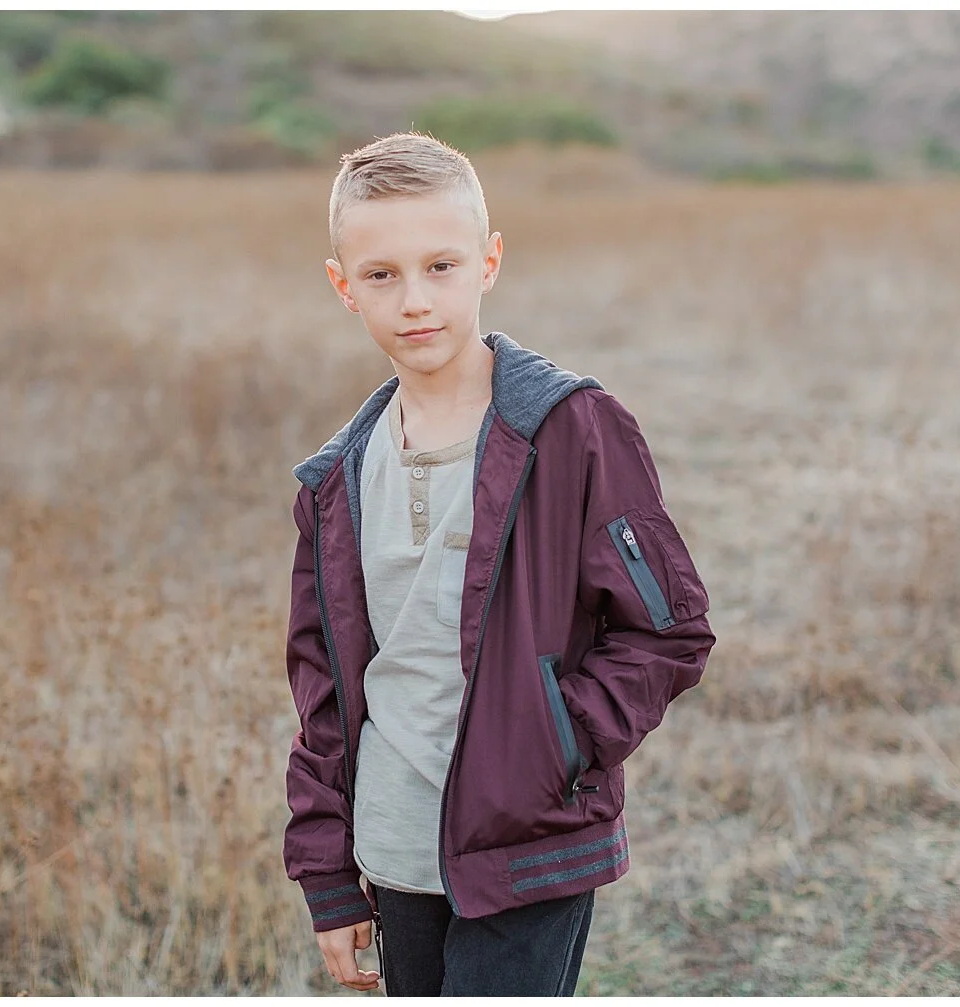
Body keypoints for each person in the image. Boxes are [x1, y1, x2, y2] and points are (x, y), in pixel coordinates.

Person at [281, 131, 715, 996]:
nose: (414, 300)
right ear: (343, 287)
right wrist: (330, 881)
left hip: (529, 844)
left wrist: (553, 748)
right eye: (381, 275)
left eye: (441, 266)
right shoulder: (335, 481)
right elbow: (323, 693)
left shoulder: (572, 430)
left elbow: (669, 632)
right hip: (394, 847)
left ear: (489, 261)